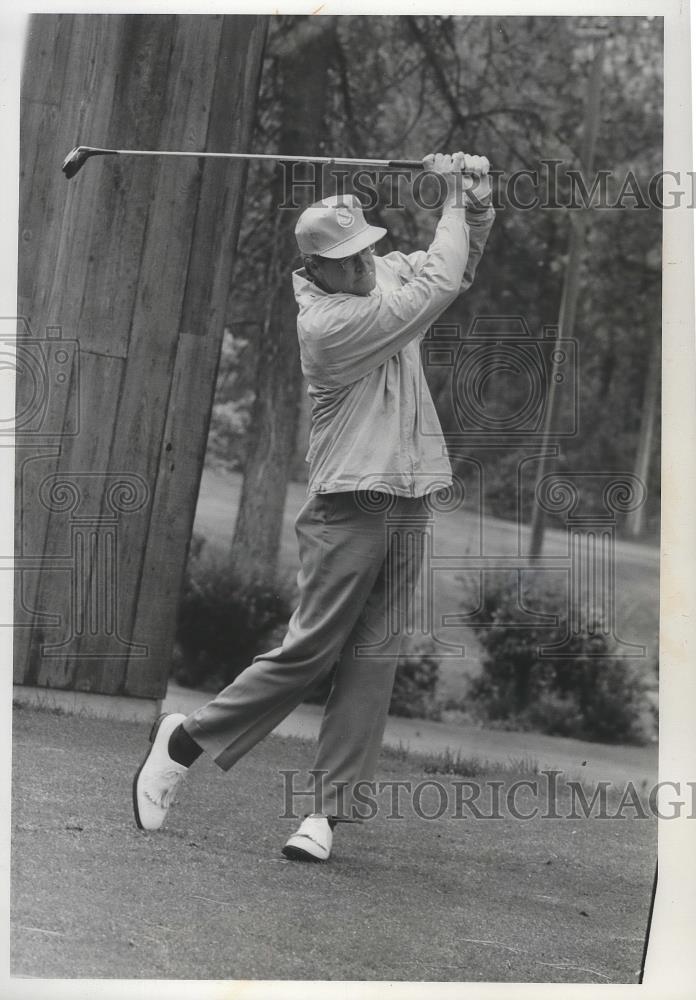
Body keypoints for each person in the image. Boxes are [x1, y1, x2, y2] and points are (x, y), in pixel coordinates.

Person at [133, 151, 495, 862]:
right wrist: (451, 198)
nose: (364, 265)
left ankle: (327, 815)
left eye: (366, 250)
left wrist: (475, 207)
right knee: (309, 653)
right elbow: (438, 285)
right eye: (347, 260)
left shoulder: (379, 273)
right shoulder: (328, 326)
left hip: (409, 497)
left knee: (372, 655)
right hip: (349, 508)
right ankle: (184, 738)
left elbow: (456, 265)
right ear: (314, 270)